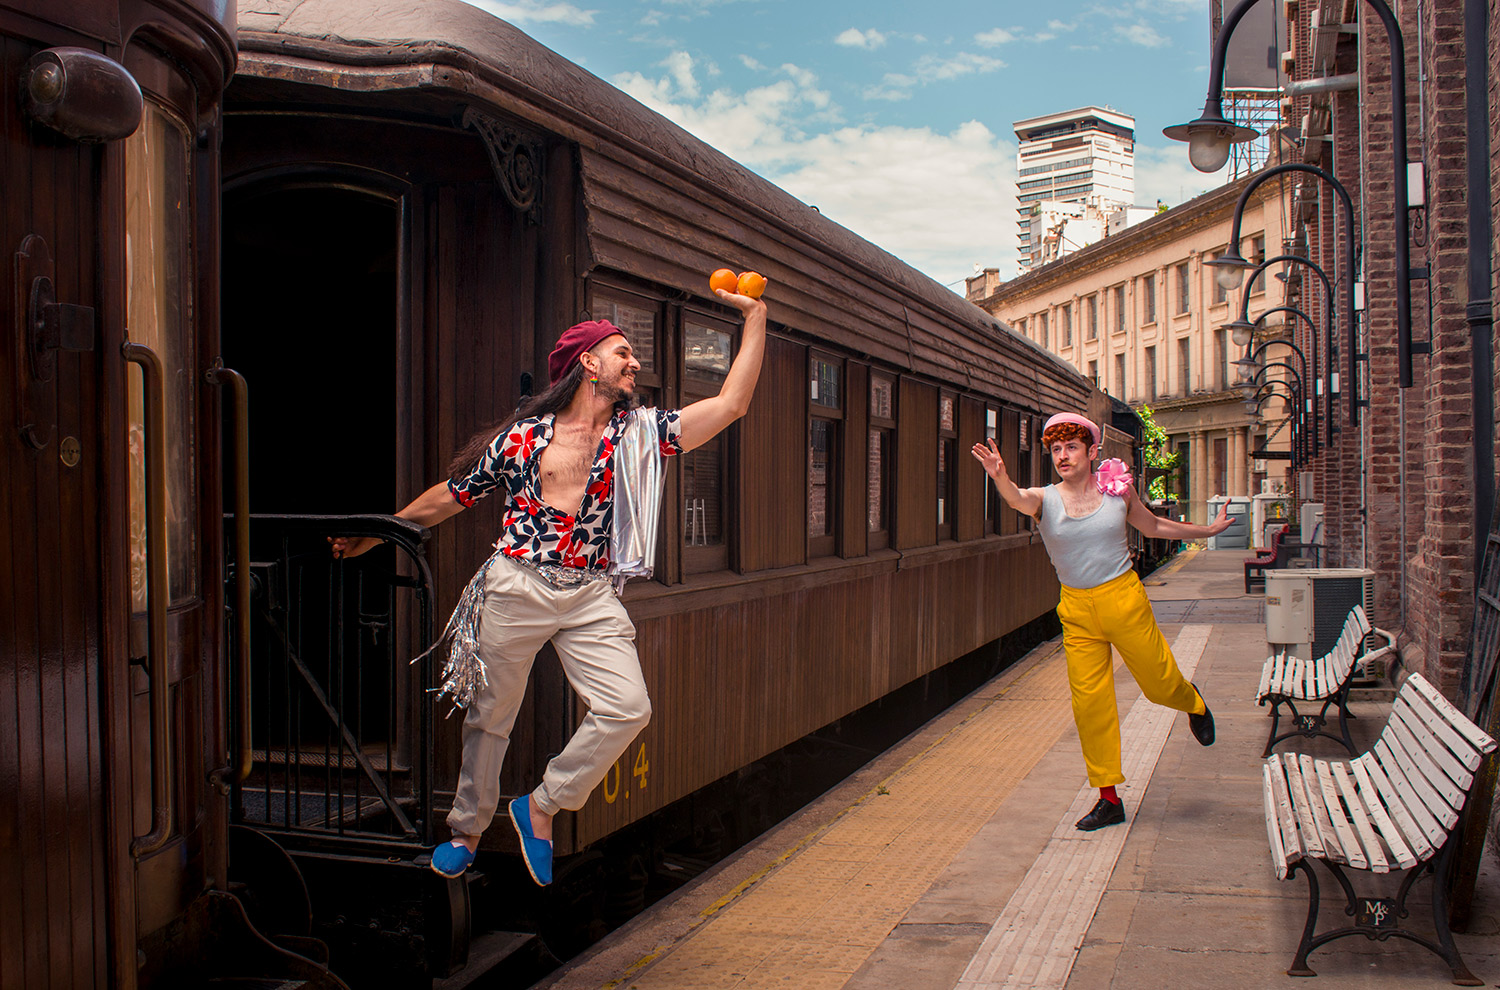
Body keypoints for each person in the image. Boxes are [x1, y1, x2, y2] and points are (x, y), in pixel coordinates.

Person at [331, 288, 767, 883]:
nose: (635, 362)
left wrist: (755, 316)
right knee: (490, 716)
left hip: (590, 593)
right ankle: (466, 831)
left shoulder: (642, 433)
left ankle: (541, 804)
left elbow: (733, 404)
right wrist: (381, 532)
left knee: (628, 709)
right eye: (623, 352)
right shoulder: (522, 438)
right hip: (516, 584)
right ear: (589, 362)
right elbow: (451, 496)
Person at [971, 412, 1231, 831]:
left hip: (1123, 600)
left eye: (1071, 447)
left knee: (1159, 684)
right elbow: (1017, 498)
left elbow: (1154, 525)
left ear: (1092, 452)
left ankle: (1193, 703)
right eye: (1056, 449)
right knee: (1091, 706)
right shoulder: (1045, 499)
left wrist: (1208, 531)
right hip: (1076, 610)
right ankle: (1108, 799)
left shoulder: (1118, 492)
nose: (1062, 455)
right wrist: (999, 477)